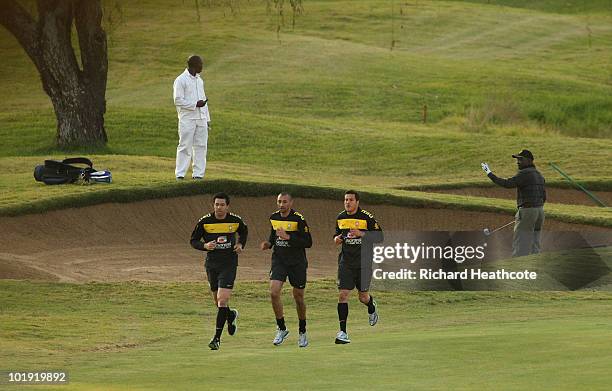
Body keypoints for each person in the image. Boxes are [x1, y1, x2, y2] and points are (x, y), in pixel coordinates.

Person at [190, 192, 248, 350]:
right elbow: (193, 240)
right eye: (216, 205)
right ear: (213, 205)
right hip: (212, 265)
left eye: (222, 205)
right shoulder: (205, 222)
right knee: (218, 303)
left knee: (222, 300)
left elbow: (244, 231)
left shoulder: (235, 220)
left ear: (227, 206)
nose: (219, 207)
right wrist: (204, 246)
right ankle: (231, 315)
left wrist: (241, 244)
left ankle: (216, 339)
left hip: (229, 264)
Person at [260, 193, 312, 348]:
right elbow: (273, 237)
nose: (281, 204)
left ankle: (302, 331)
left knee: (298, 297)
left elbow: (308, 242)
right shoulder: (274, 217)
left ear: (291, 203)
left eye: (284, 202)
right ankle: (281, 328)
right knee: (274, 292)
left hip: (297, 263)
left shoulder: (299, 219)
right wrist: (268, 244)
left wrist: (288, 237)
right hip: (279, 261)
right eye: (279, 201)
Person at [333, 190, 383, 344]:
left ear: (357, 202)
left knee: (363, 297)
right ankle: (343, 332)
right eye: (345, 200)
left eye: (350, 200)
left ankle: (371, 306)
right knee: (343, 295)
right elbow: (336, 236)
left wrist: (362, 234)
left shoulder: (366, 217)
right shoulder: (340, 218)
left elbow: (380, 237)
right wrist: (338, 238)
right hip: (346, 262)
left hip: (364, 262)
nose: (347, 202)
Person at [481, 149, 546, 257]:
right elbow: (544, 197)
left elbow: (507, 184)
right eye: (517, 159)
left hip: (527, 211)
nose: (518, 162)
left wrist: (489, 173)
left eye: (521, 159)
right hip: (540, 212)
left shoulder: (524, 174)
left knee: (520, 243)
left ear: (529, 161)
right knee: (535, 244)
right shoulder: (539, 175)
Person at [173, 55, 211, 180]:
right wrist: (194, 105)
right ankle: (180, 174)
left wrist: (207, 119)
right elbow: (178, 100)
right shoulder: (181, 80)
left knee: (201, 146)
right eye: (201, 64)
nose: (202, 67)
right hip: (187, 119)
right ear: (194, 65)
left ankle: (198, 175)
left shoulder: (200, 81)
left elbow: (204, 101)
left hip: (201, 118)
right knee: (185, 145)